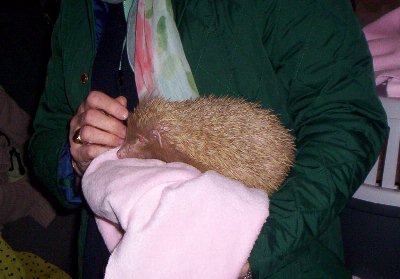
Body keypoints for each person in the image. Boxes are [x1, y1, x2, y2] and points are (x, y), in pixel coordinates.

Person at [28, 0, 388, 278]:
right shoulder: (78, 10)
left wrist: (242, 251)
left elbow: (348, 119)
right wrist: (75, 153)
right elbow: (46, 132)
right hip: (108, 260)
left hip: (269, 261)